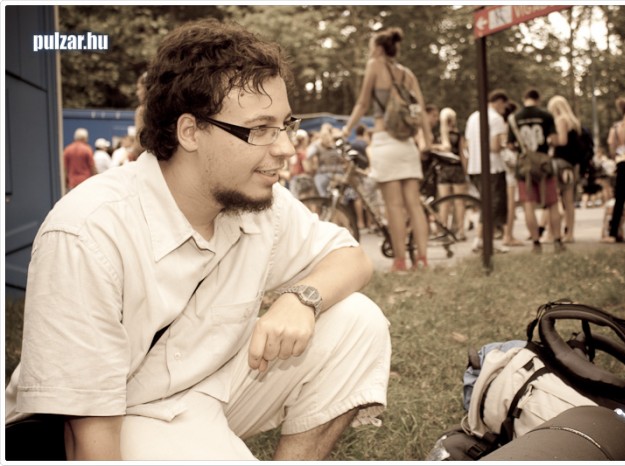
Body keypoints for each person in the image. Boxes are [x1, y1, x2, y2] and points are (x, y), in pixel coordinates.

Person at [5, 19, 391, 461]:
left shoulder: (257, 202)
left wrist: (301, 298)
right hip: (118, 415)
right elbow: (88, 437)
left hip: (209, 389)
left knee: (358, 321)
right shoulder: (88, 232)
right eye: (260, 128)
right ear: (189, 132)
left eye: (285, 124)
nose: (286, 147)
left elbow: (352, 258)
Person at [341, 27, 432, 272]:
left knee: (394, 206)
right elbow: (421, 109)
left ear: (379, 48)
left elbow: (362, 103)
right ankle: (422, 259)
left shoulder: (375, 65)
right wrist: (427, 139)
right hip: (408, 145)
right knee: (414, 204)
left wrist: (346, 130)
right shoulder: (407, 74)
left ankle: (400, 261)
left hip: (384, 140)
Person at [507, 89, 564, 253]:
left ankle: (536, 243)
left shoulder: (514, 118)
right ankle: (557, 241)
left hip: (525, 166)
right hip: (544, 164)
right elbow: (555, 140)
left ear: (524, 98)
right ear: (538, 99)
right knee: (552, 203)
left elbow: (510, 145)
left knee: (528, 205)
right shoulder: (546, 115)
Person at [464, 89, 511, 254]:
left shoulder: (473, 117)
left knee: (485, 204)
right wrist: (505, 144)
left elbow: (467, 143)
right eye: (504, 106)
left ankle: (481, 240)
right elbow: (494, 146)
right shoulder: (496, 119)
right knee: (493, 206)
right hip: (493, 167)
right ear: (499, 102)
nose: (504, 109)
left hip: (475, 166)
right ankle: (485, 241)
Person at [601, 97, 625, 243]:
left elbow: (612, 149)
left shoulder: (616, 128)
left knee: (620, 199)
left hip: (622, 162)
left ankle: (613, 231)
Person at [547, 94, 582, 243]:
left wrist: (550, 140)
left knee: (554, 200)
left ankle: (553, 233)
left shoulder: (561, 120)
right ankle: (570, 233)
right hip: (570, 164)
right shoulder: (574, 123)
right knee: (569, 202)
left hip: (560, 163)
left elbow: (562, 141)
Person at [431, 107, 468, 241]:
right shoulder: (458, 135)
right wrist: (466, 171)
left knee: (444, 202)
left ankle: (443, 230)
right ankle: (461, 230)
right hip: (457, 169)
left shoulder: (438, 136)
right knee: (459, 202)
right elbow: (463, 154)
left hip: (443, 170)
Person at [500, 102, 524, 247]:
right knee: (510, 203)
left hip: (500, 167)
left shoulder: (499, 125)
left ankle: (506, 233)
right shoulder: (508, 127)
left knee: (506, 202)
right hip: (509, 168)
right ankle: (508, 235)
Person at [63, 127, 96, 191]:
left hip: (72, 182)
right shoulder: (87, 149)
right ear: (84, 138)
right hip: (85, 182)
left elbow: (65, 168)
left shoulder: (67, 149)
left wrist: (66, 182)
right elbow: (92, 167)